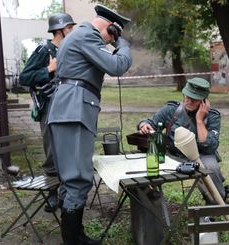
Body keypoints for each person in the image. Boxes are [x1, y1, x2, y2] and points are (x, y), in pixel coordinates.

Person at [47, 4, 132, 245]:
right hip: (73, 111)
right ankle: (73, 241)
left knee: (72, 177)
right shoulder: (87, 35)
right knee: (78, 177)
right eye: (112, 35)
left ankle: (76, 236)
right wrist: (122, 45)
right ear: (110, 28)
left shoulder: (78, 36)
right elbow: (117, 65)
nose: (108, 42)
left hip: (69, 110)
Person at [19, 13, 76, 213]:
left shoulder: (69, 49)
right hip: (50, 107)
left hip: (68, 105)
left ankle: (68, 192)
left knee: (68, 150)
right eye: (69, 28)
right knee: (52, 150)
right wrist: (48, 69)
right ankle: (53, 193)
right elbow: (24, 77)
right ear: (59, 30)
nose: (72, 31)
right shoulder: (44, 50)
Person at [138, 77, 226, 204]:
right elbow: (150, 122)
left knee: (212, 167)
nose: (188, 101)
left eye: (194, 99)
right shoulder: (172, 110)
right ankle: (150, 201)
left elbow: (209, 147)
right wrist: (144, 125)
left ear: (203, 101)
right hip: (173, 155)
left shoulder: (212, 116)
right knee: (147, 163)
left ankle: (214, 202)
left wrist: (200, 120)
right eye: (187, 97)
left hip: (200, 156)